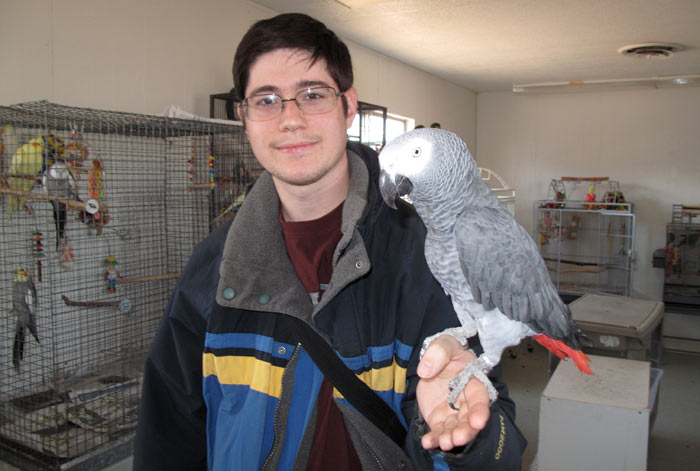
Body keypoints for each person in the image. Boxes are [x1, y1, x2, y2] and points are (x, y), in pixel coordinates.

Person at [134, 12, 526, 470]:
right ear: (243, 117)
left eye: (312, 94)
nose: (290, 119)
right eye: (266, 100)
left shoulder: (427, 258)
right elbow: (170, 435)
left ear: (348, 106)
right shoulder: (214, 271)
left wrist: (466, 441)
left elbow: (500, 450)